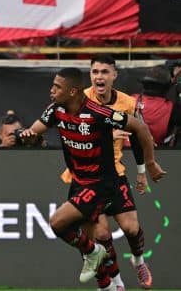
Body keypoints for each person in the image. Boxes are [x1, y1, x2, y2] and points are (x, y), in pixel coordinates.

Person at [20, 67, 165, 290]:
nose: (51, 90)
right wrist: (26, 136)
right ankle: (110, 285)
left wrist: (150, 164)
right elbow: (34, 132)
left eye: (57, 87)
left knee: (118, 230)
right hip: (80, 182)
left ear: (72, 91)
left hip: (103, 183)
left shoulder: (99, 113)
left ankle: (132, 261)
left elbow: (140, 128)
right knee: (92, 239)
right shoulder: (55, 110)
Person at [58, 55, 152, 290]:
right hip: (85, 178)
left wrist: (142, 171)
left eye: (104, 72)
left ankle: (138, 260)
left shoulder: (127, 103)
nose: (99, 76)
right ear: (90, 75)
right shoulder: (78, 99)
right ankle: (117, 283)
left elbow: (140, 137)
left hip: (114, 175)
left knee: (131, 228)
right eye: (95, 72)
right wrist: (107, 135)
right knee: (100, 235)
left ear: (114, 75)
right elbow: (68, 129)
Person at [134, 65, 181, 147]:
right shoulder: (172, 109)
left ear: (144, 84)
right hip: (158, 155)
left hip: (126, 153)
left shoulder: (130, 99)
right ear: (166, 87)